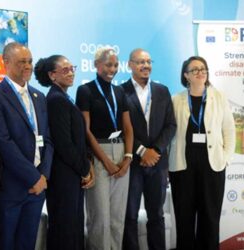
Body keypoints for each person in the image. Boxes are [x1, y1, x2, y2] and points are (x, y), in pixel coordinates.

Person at [0, 42, 54, 250]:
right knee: (6, 243)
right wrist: (33, 177)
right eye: (22, 61)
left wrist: (44, 176)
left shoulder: (39, 97)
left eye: (30, 61)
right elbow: (4, 144)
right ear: (6, 63)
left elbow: (47, 138)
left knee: (28, 243)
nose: (28, 66)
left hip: (38, 187)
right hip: (13, 187)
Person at [169, 56, 235, 250]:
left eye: (203, 69)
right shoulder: (176, 99)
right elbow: (169, 133)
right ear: (186, 75)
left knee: (210, 217)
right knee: (184, 217)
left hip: (212, 165)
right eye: (195, 69)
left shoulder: (219, 97)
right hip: (182, 166)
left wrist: (226, 159)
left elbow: (229, 131)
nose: (200, 72)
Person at [34, 55, 95, 250]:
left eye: (72, 68)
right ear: (52, 75)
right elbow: (63, 143)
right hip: (63, 175)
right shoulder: (55, 100)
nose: (71, 73)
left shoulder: (63, 97)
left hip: (72, 173)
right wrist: (84, 168)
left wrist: (86, 165)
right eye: (65, 70)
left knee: (74, 226)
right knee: (65, 229)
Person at [76, 47, 134, 250]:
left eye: (116, 65)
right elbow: (86, 130)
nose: (113, 69)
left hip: (121, 152)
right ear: (96, 65)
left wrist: (127, 157)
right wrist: (105, 161)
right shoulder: (85, 90)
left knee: (117, 217)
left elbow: (127, 127)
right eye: (108, 64)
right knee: (100, 217)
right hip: (98, 152)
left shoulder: (119, 91)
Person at [121, 48, 176, 250]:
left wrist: (156, 151)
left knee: (157, 214)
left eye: (148, 61)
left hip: (158, 163)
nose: (145, 66)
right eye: (140, 62)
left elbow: (171, 125)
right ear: (129, 65)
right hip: (133, 163)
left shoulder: (162, 90)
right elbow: (121, 128)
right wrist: (143, 151)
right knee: (130, 215)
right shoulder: (121, 91)